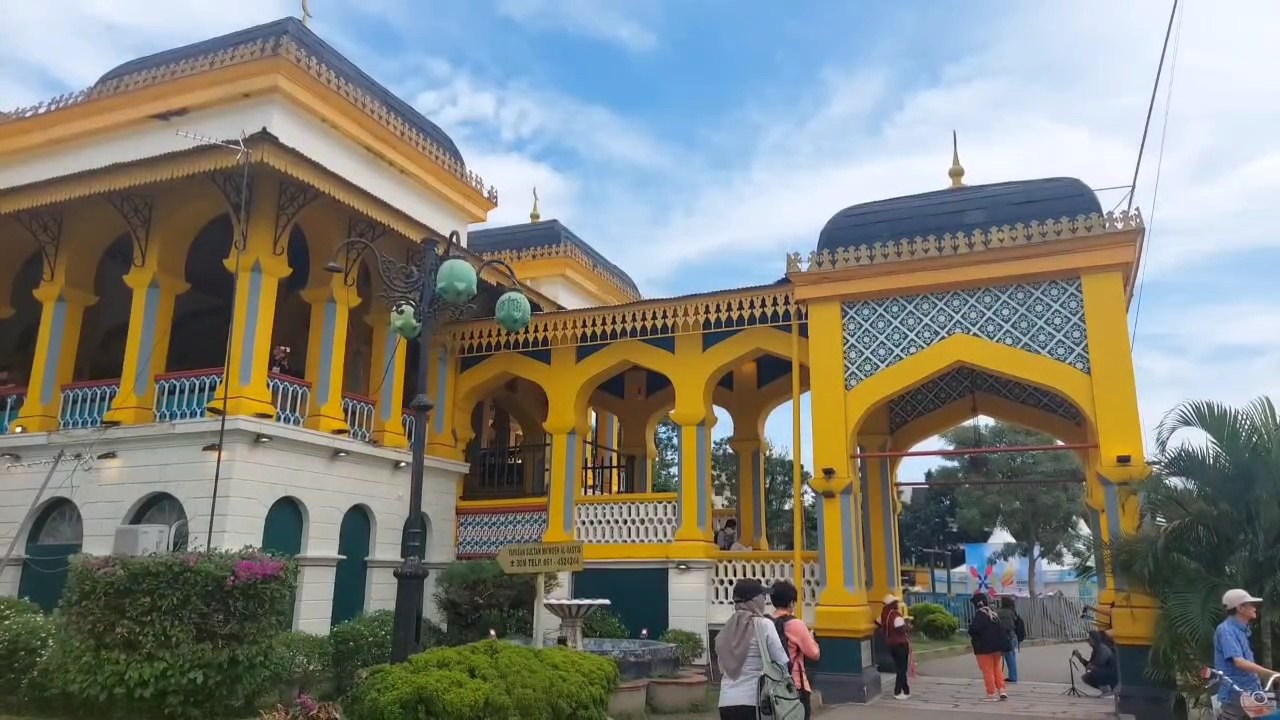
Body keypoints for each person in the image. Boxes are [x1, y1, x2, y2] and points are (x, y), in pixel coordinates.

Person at [716, 579, 790, 720]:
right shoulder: (764, 625)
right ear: (754, 600)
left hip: (726, 702)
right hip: (754, 702)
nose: (764, 600)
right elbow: (781, 663)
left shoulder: (727, 628)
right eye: (762, 596)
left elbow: (723, 664)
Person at [1214, 588, 1278, 720]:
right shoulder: (1226, 630)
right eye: (1251, 605)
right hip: (1236, 694)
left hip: (1251, 692)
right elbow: (1239, 662)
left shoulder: (1241, 630)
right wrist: (1271, 674)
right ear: (1240, 608)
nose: (1255, 608)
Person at [771, 581, 820, 718]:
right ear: (792, 602)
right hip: (796, 685)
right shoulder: (796, 624)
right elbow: (814, 653)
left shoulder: (766, 623)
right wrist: (810, 638)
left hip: (773, 684)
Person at [967, 592, 1009, 702]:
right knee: (997, 669)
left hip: (984, 648)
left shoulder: (980, 615)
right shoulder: (993, 614)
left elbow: (973, 630)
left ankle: (991, 693)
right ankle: (1001, 690)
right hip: (997, 648)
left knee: (988, 671)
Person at [879, 594, 912, 700]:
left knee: (900, 668)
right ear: (893, 604)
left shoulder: (884, 615)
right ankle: (898, 692)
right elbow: (901, 629)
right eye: (896, 602)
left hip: (891, 645)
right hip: (901, 645)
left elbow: (877, 622)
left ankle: (906, 691)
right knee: (902, 669)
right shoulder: (896, 615)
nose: (897, 604)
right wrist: (908, 627)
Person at [1073, 630, 1117, 697]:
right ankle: (1107, 689)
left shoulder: (1103, 650)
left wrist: (1091, 666)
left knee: (1097, 672)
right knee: (1086, 677)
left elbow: (1097, 665)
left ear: (1094, 639)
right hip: (1106, 672)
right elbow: (1090, 665)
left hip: (1112, 674)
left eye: (1089, 640)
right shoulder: (1095, 650)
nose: (1088, 642)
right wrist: (1080, 658)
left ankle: (1109, 690)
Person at [996, 596, 1021, 683]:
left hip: (1005, 636)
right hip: (1013, 635)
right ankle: (1013, 676)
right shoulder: (1013, 612)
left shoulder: (1000, 612)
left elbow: (999, 625)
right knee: (1011, 656)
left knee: (1005, 656)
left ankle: (1011, 677)